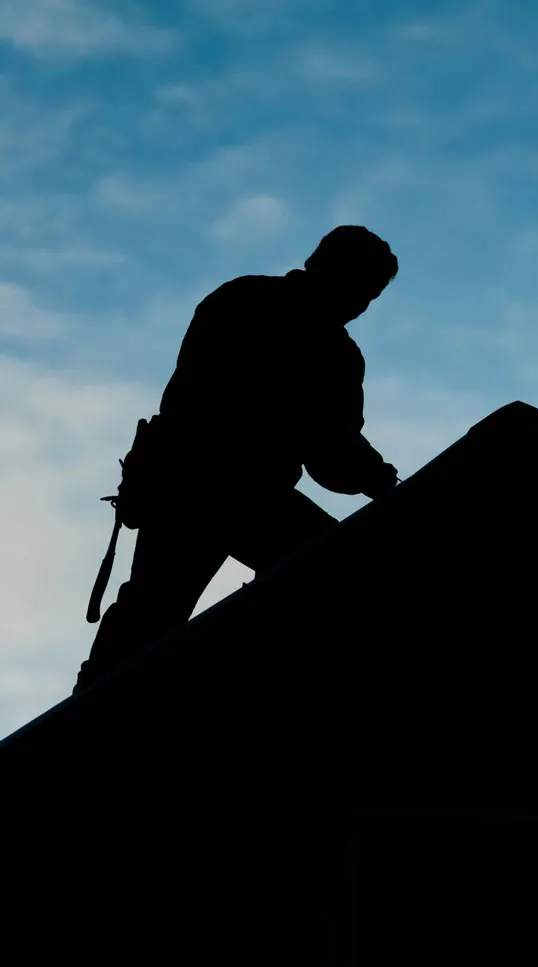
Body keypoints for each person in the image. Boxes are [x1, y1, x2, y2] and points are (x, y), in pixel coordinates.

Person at [74, 225, 400, 693]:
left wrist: (369, 473)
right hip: (214, 488)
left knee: (150, 609)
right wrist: (378, 479)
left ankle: (96, 699)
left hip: (203, 486)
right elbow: (331, 451)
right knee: (330, 571)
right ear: (328, 269)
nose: (361, 305)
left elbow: (331, 451)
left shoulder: (246, 301)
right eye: (362, 289)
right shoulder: (321, 344)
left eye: (369, 295)